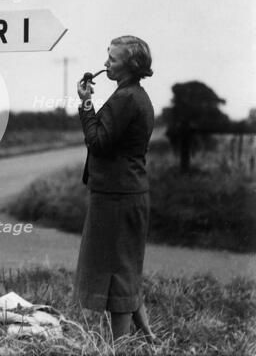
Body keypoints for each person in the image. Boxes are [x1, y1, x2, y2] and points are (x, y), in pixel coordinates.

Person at [74, 35, 157, 343]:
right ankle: (148, 337)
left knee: (117, 273)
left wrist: (84, 104)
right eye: (107, 56)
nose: (105, 63)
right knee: (125, 268)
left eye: (112, 58)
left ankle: (117, 347)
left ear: (131, 65)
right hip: (129, 193)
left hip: (116, 196)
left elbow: (97, 141)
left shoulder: (124, 98)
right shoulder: (137, 95)